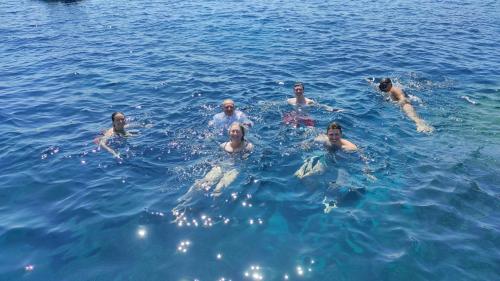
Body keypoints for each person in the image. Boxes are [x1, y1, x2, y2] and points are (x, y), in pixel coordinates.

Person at [173, 123, 253, 220]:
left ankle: (213, 212)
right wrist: (215, 165)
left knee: (218, 189)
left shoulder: (248, 147)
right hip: (221, 166)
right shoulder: (223, 146)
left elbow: (245, 162)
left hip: (234, 169)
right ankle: (183, 203)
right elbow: (217, 159)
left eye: (237, 131)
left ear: (242, 134)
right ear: (229, 133)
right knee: (200, 184)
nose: (235, 133)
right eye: (233, 131)